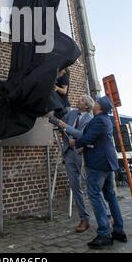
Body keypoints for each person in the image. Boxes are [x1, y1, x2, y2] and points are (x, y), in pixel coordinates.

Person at [69, 96, 127, 249]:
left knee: (94, 195)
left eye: (96, 102)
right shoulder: (105, 119)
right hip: (107, 162)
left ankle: (104, 233)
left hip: (98, 164)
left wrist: (75, 143)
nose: (94, 104)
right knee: (110, 196)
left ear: (99, 107)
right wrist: (85, 147)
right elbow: (96, 140)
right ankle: (119, 230)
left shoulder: (99, 120)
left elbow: (87, 137)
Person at [49, 95, 94, 233]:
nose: (78, 100)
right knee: (75, 186)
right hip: (68, 152)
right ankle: (84, 218)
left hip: (82, 154)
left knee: (92, 187)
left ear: (87, 106)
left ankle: (107, 215)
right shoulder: (73, 113)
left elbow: (82, 135)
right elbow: (61, 124)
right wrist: (49, 116)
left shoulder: (90, 119)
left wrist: (65, 127)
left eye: (81, 100)